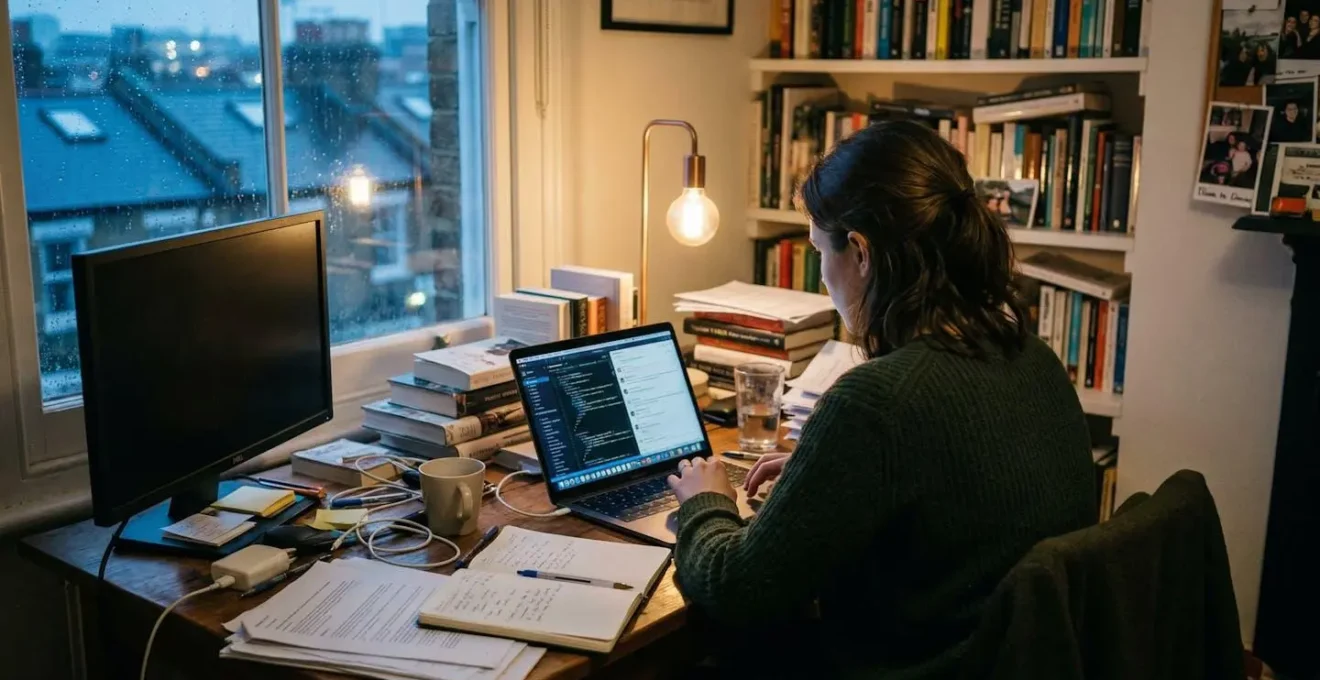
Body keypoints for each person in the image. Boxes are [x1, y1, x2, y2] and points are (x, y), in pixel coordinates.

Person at [666, 120, 1096, 678]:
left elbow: (736, 587)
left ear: (861, 253)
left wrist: (705, 501)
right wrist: (823, 472)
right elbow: (958, 490)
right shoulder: (1031, 356)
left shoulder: (875, 403)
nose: (823, 279)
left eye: (820, 251)